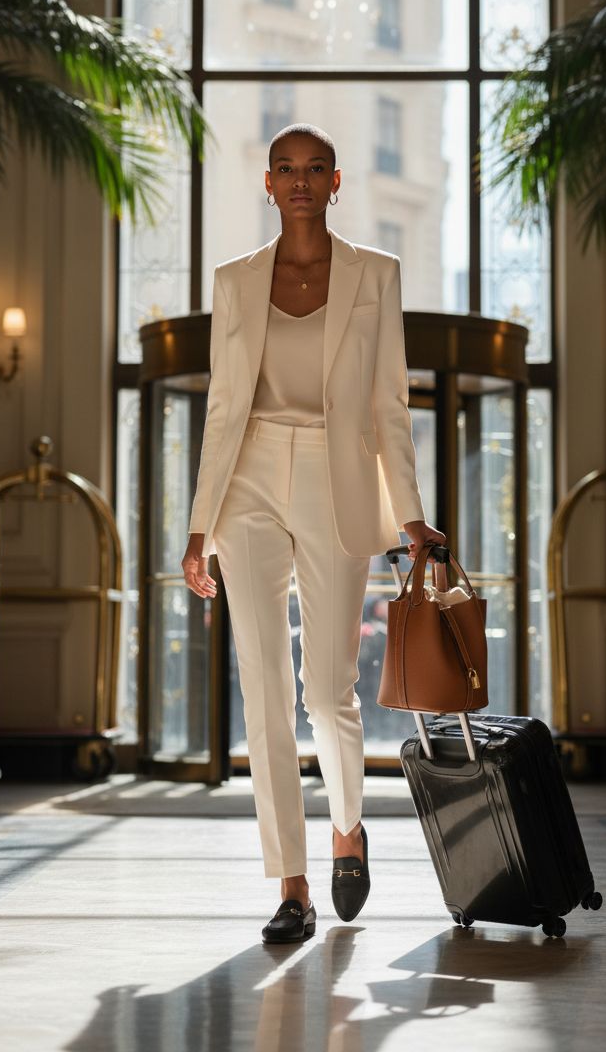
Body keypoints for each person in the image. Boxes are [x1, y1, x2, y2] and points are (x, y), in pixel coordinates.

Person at [181, 122, 446, 944]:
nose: (301, 181)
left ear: (337, 183)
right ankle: (291, 882)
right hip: (250, 480)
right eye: (286, 169)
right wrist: (198, 530)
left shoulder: (375, 275)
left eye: (316, 168)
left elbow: (389, 406)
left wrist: (410, 516)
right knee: (263, 688)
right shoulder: (234, 282)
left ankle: (347, 829)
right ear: (268, 184)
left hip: (336, 484)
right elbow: (223, 408)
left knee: (326, 691)